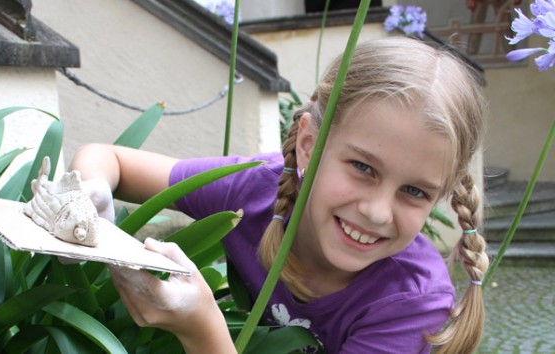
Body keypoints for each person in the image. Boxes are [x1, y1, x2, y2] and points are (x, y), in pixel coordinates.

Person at [70, 36, 489, 353]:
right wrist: (89, 200)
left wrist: (201, 330)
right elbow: (109, 159)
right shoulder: (255, 190)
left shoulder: (411, 304)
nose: (377, 212)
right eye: (363, 168)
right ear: (308, 144)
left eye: (414, 191)